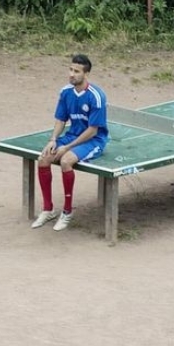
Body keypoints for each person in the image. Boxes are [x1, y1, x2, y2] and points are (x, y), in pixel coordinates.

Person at [31, 53, 108, 231]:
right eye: (70, 69)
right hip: (72, 135)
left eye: (76, 71)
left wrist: (67, 147)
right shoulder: (66, 92)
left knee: (66, 161)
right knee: (43, 158)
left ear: (86, 74)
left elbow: (93, 130)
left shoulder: (96, 96)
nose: (71, 74)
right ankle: (48, 209)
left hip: (93, 140)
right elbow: (60, 119)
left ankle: (67, 212)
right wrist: (53, 140)